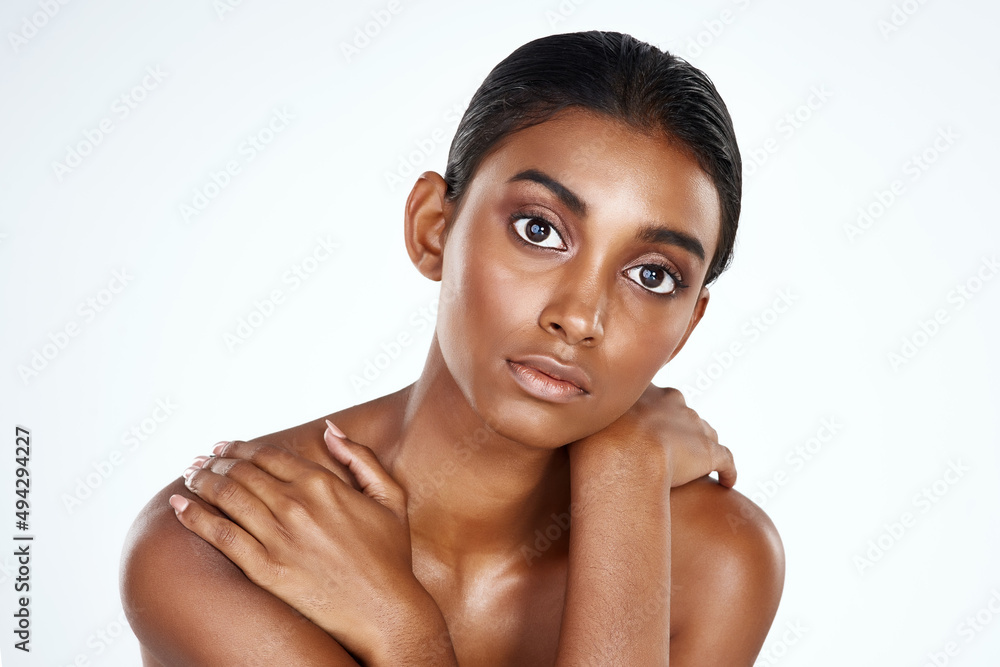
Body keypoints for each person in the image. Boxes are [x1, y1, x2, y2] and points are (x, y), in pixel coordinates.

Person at [120, 30, 784, 666]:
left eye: (652, 275)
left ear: (687, 327)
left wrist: (625, 466)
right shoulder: (220, 542)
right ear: (434, 229)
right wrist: (400, 625)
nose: (580, 317)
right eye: (538, 228)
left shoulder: (720, 560)